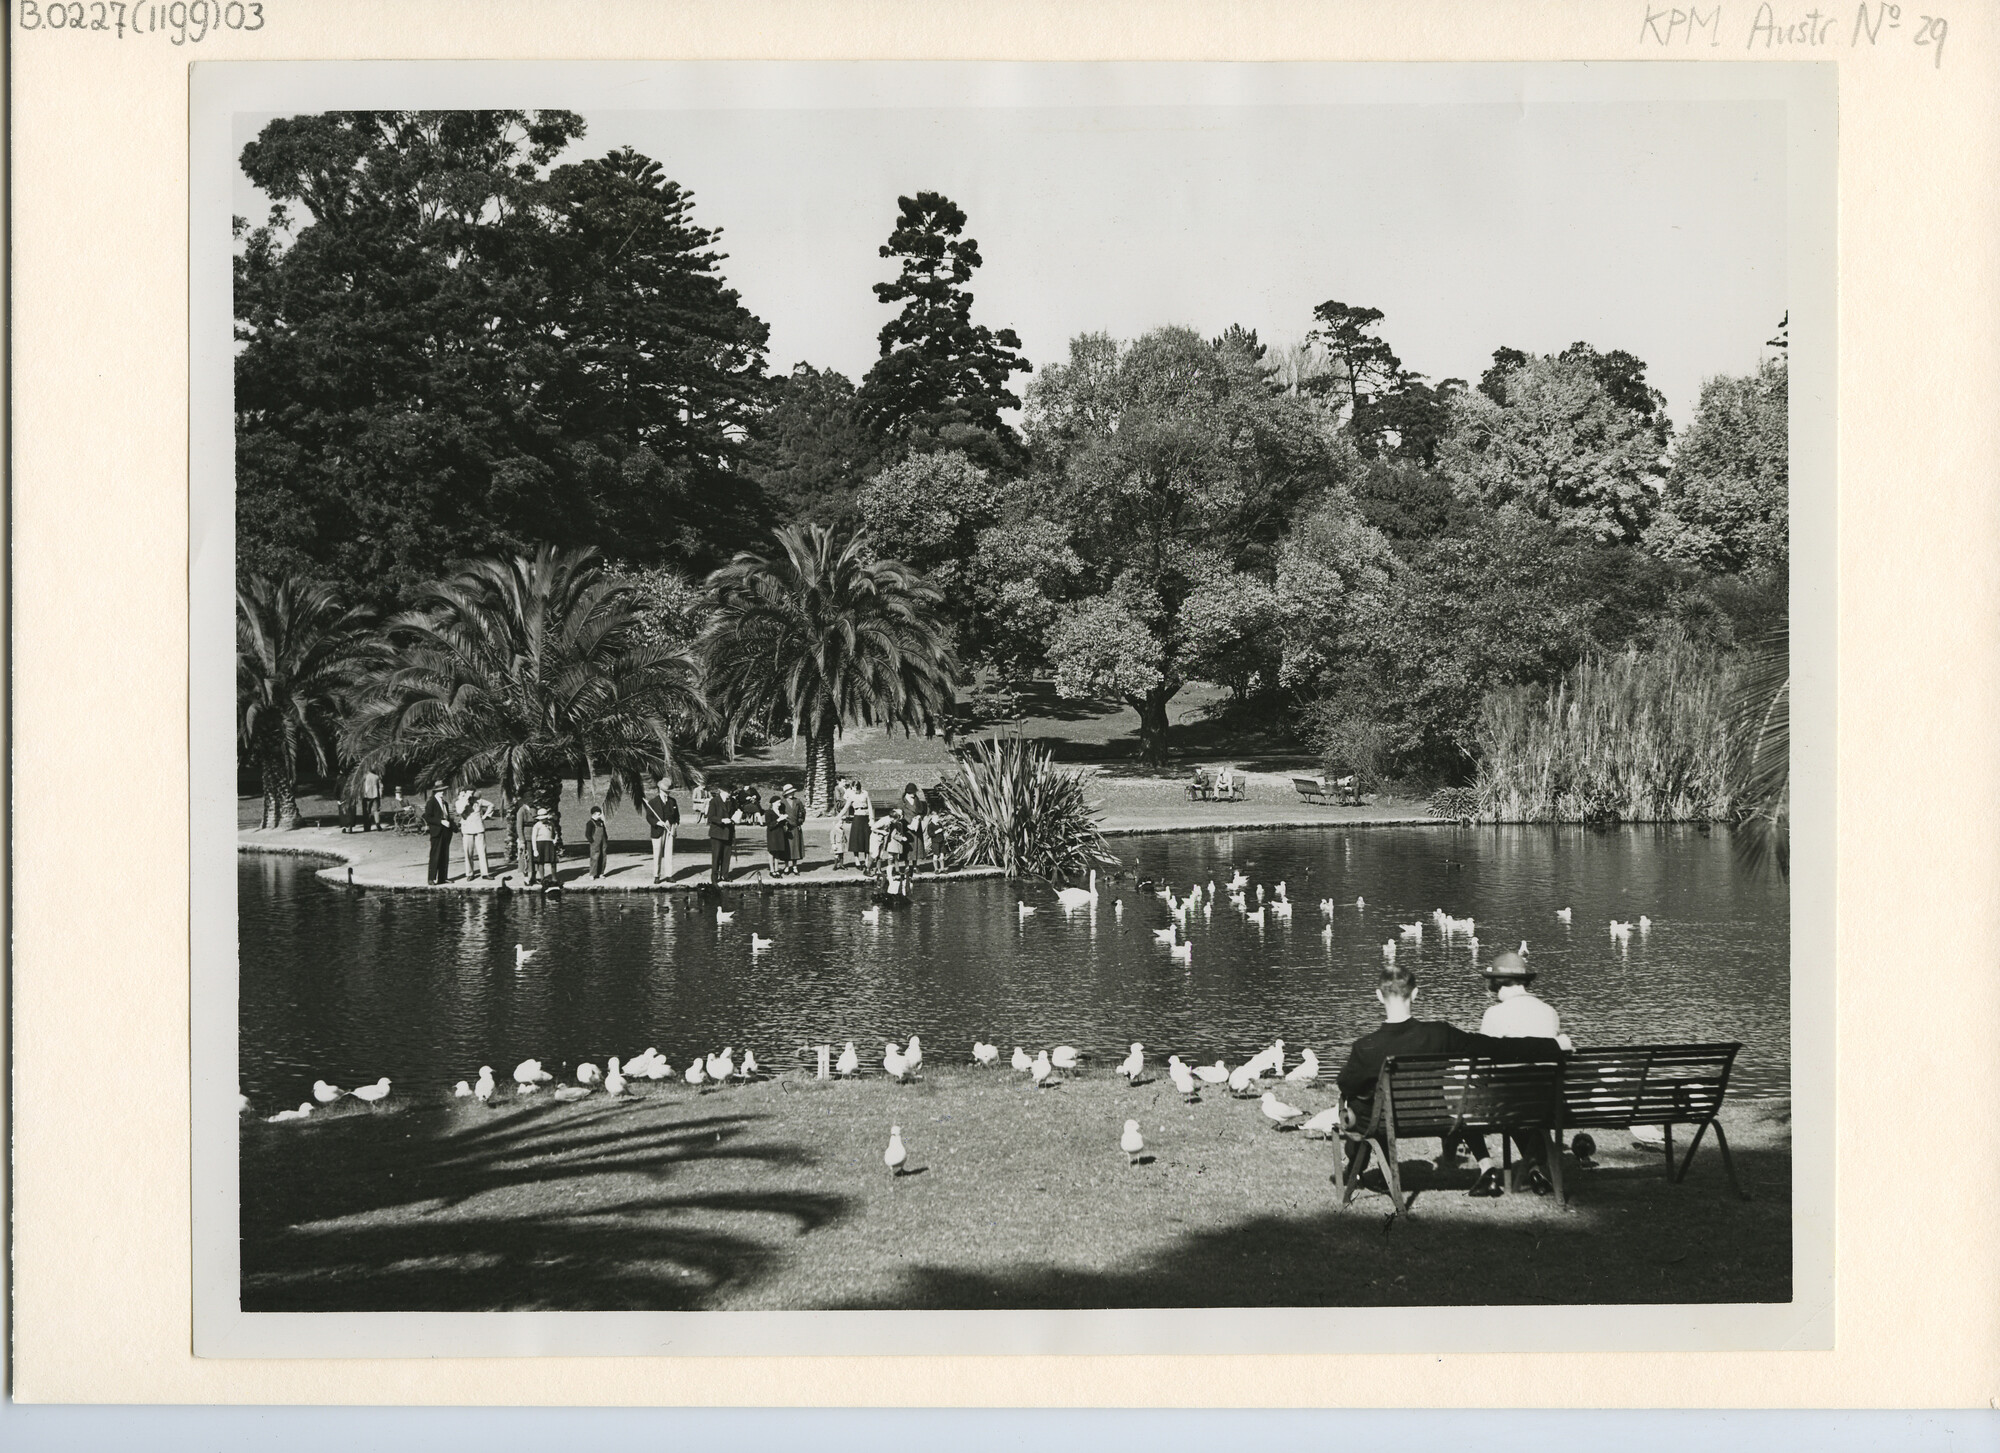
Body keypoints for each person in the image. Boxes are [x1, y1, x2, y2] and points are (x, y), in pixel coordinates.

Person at [1336, 965, 1565, 1198]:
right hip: (1439, 1118)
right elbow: (1496, 1048)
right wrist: (1552, 1046)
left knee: (1356, 1104)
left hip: (1385, 1123)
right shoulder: (1440, 1033)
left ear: (1378, 996)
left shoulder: (1365, 1047)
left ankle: (1359, 1168)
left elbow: (1346, 1085)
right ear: (1415, 994)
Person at [641, 778, 679, 883]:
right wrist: (658, 823)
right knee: (657, 853)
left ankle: (668, 875)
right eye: (666, 791)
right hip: (657, 830)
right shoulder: (653, 802)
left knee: (669, 853)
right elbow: (649, 817)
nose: (668, 793)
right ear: (660, 790)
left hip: (670, 829)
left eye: (669, 791)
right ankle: (656, 876)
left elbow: (676, 816)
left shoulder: (672, 801)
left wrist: (673, 824)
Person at [422, 779, 455, 885]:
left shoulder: (444, 803)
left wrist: (453, 827)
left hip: (446, 832)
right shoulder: (431, 802)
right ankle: (431, 878)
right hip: (437, 832)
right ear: (435, 791)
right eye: (440, 791)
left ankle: (442, 878)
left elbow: (447, 817)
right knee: (435, 855)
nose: (442, 792)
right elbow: (428, 817)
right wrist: (441, 822)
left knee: (445, 855)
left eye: (443, 790)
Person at [458, 789, 494, 879]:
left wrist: (485, 816)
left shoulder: (479, 801)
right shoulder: (459, 802)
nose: (471, 795)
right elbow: (460, 810)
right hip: (467, 830)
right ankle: (470, 874)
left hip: (479, 828)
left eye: (472, 793)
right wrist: (465, 798)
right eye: (468, 793)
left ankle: (485, 873)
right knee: (468, 853)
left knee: (482, 852)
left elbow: (491, 805)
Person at [707, 782, 736, 885]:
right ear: (722, 791)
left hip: (728, 832)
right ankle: (714, 877)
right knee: (716, 856)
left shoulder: (732, 801)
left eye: (730, 791)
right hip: (717, 832)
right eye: (728, 791)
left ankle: (724, 875)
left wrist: (736, 817)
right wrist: (722, 820)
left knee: (726, 855)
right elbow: (710, 817)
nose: (730, 793)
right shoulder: (714, 801)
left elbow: (734, 813)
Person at [840, 778, 872, 869]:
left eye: (856, 789)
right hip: (857, 817)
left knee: (867, 840)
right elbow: (845, 808)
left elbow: (870, 806)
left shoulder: (865, 793)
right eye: (853, 789)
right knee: (856, 839)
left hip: (865, 817)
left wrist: (871, 819)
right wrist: (838, 817)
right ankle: (857, 861)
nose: (854, 791)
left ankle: (866, 862)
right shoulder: (851, 795)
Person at [764, 792, 795, 876]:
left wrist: (784, 820)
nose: (779, 804)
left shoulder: (780, 811)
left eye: (780, 803)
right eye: (778, 803)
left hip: (780, 833)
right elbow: (769, 825)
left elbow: (782, 822)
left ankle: (777, 870)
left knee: (778, 852)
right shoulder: (768, 812)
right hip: (772, 834)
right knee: (772, 851)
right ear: (773, 803)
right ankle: (772, 870)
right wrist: (779, 820)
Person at [781, 781, 808, 876]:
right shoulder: (782, 802)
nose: (791, 794)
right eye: (789, 792)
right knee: (787, 847)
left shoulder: (798, 801)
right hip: (786, 827)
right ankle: (786, 866)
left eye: (792, 792)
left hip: (796, 826)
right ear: (786, 793)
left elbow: (802, 812)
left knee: (796, 846)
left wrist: (800, 820)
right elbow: (778, 813)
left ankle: (795, 866)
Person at [530, 807, 559, 886]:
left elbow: (555, 833)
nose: (543, 820)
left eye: (544, 818)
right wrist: (535, 849)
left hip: (549, 843)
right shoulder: (537, 825)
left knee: (553, 861)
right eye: (541, 819)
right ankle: (543, 878)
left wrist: (554, 840)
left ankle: (554, 878)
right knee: (540, 861)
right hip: (540, 844)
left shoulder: (551, 823)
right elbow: (533, 837)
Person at [585, 805, 610, 879]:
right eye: (599, 814)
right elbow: (587, 834)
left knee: (603, 856)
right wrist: (592, 841)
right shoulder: (590, 823)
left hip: (603, 842)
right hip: (595, 843)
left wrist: (606, 839)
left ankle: (601, 873)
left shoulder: (601, 822)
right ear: (594, 814)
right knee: (595, 857)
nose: (600, 815)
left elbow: (604, 831)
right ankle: (592, 874)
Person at [510, 796, 534, 869]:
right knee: (525, 857)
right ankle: (526, 877)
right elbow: (519, 826)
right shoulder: (521, 810)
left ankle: (533, 877)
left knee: (534, 858)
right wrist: (522, 840)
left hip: (533, 836)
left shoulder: (533, 809)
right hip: (526, 836)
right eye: (529, 800)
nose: (531, 801)